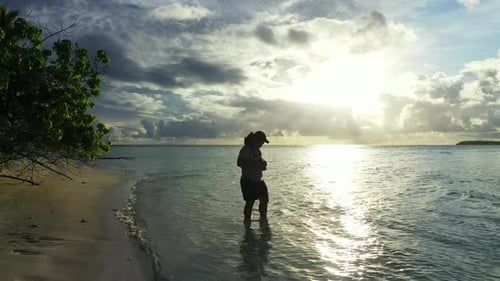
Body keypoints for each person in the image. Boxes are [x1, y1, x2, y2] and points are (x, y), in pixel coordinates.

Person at [237, 131, 270, 226]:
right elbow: (239, 163)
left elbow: (260, 161)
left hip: (258, 180)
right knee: (250, 202)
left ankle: (263, 220)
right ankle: (247, 222)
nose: (262, 145)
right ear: (255, 140)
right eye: (261, 142)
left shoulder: (257, 151)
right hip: (247, 180)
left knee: (264, 200)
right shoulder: (245, 150)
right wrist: (255, 164)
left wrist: (263, 163)